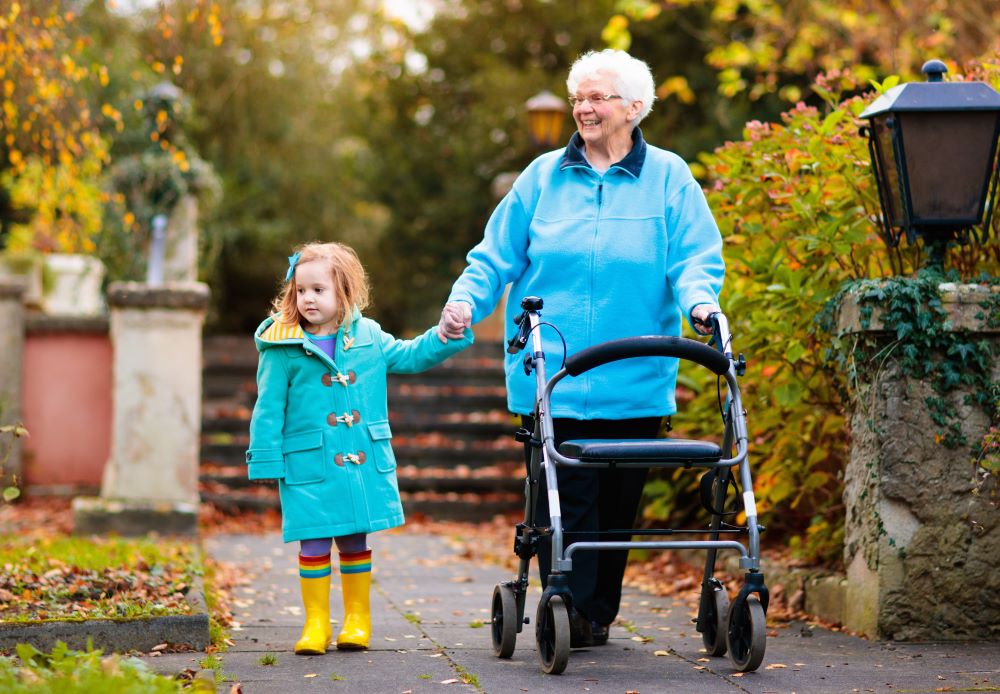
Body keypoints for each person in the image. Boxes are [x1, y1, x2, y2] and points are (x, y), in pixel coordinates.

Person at [438, 49, 724, 647]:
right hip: (550, 370)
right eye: (579, 98)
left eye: (598, 97)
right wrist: (466, 300)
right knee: (562, 496)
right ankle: (567, 602)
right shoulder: (542, 177)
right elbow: (494, 256)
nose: (584, 108)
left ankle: (595, 610)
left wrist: (701, 303)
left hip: (635, 371)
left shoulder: (669, 176)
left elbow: (695, 257)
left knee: (616, 509)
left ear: (635, 107)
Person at [246, 241, 473, 654]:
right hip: (308, 464)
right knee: (313, 542)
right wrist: (265, 456)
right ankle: (316, 624)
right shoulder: (282, 346)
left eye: (319, 290)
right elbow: (268, 407)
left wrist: (444, 335)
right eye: (301, 291)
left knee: (353, 541)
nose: (308, 299)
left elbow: (410, 355)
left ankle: (356, 620)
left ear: (344, 291)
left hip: (358, 463)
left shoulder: (368, 336)